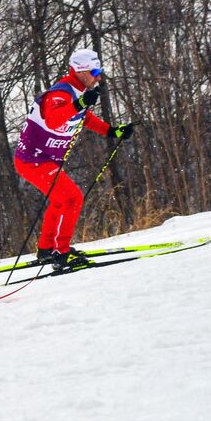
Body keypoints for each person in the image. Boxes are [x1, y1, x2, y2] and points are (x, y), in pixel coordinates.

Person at [13, 48, 134, 272]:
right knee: (72, 198)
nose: (98, 77)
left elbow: (83, 117)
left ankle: (47, 250)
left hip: (42, 159)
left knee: (61, 200)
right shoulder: (61, 94)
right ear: (80, 70)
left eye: (100, 72)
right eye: (94, 72)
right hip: (34, 160)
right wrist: (79, 104)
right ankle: (62, 253)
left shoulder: (77, 92)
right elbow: (55, 120)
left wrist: (112, 132)